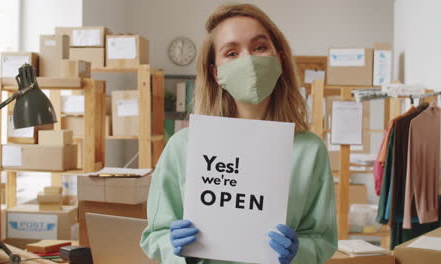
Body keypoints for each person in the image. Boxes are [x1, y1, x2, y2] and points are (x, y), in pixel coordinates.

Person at [141, 3, 337, 264]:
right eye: (232, 53)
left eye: (259, 47)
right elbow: (155, 235)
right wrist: (175, 249)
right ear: (216, 72)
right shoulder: (183, 147)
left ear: (279, 58)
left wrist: (298, 252)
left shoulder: (309, 150)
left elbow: (323, 239)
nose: (249, 60)